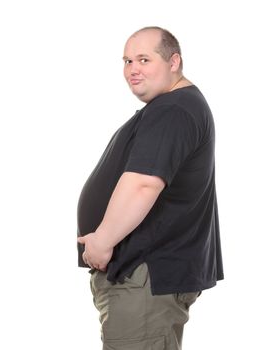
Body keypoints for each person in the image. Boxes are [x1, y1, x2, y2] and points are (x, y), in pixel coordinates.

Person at [77, 26, 224, 350]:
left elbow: (144, 184)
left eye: (144, 59)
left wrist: (101, 242)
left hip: (144, 276)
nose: (133, 69)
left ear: (174, 62)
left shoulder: (173, 109)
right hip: (144, 277)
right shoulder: (178, 107)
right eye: (127, 61)